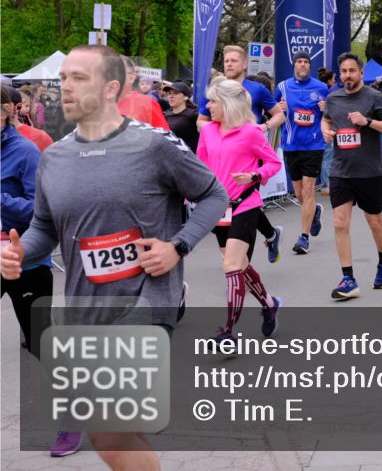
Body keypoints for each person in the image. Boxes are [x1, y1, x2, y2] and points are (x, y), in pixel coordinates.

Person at [1, 44, 228, 471]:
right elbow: (44, 229)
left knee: (105, 424)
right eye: (64, 77)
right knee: (118, 432)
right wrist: (18, 252)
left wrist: (177, 247)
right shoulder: (54, 158)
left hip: (147, 302)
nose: (65, 86)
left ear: (110, 88)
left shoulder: (153, 146)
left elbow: (215, 194)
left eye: (78, 78)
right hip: (86, 308)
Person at [0, 87, 75, 457]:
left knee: (42, 342)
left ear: (6, 111)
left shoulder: (26, 151)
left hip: (24, 258)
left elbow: (38, 213)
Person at [199, 79, 283, 347]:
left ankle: (228, 332)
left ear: (228, 103)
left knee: (231, 265)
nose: (208, 106)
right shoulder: (208, 132)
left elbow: (273, 163)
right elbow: (200, 165)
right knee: (239, 266)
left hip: (246, 205)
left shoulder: (250, 132)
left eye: (212, 101)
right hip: (217, 208)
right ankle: (269, 304)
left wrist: (254, 175)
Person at [321, 53, 382, 300]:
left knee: (374, 221)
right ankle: (348, 278)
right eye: (343, 71)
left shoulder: (375, 97)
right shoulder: (333, 98)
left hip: (369, 172)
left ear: (361, 73)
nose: (347, 75)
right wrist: (326, 132)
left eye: (352, 71)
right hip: (341, 171)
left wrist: (367, 122)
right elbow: (326, 120)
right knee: (339, 222)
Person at [198, 45, 286, 263]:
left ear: (244, 64)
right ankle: (270, 235)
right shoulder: (214, 91)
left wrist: (262, 128)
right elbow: (201, 120)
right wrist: (217, 134)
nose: (229, 64)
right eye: (226, 60)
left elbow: (279, 116)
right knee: (232, 205)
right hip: (221, 154)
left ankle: (241, 263)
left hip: (249, 156)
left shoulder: (256, 90)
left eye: (234, 61)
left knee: (245, 201)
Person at [274, 50, 328, 256]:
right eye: (299, 62)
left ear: (309, 66)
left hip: (313, 145)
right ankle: (315, 212)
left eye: (306, 62)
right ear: (294, 65)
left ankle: (303, 237)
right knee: (298, 194)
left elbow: (331, 112)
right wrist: (279, 108)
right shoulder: (282, 87)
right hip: (291, 145)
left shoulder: (322, 87)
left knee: (308, 190)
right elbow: (273, 112)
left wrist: (326, 108)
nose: (302, 65)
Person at [117, 56, 170, 130]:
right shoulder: (99, 103)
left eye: (118, 73)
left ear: (131, 77)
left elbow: (163, 137)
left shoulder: (147, 103)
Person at [3, 86, 53, 152]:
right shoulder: (39, 136)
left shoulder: (39, 137)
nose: (28, 109)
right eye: (26, 106)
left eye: (28, 106)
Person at [162, 81, 199, 152]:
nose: (171, 96)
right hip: (170, 157)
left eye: (175, 93)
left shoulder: (193, 115)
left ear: (186, 97)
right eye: (169, 93)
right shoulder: (166, 114)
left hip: (188, 158)